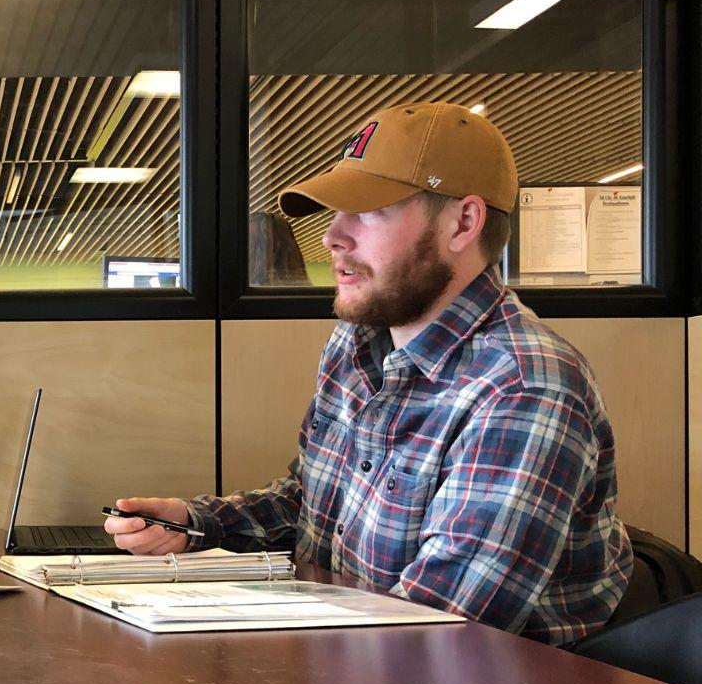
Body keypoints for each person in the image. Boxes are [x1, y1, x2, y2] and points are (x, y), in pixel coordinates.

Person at [107, 101, 631, 644]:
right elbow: (315, 506)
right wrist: (193, 524)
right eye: (336, 213)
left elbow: (433, 629)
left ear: (464, 223)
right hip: (356, 665)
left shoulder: (522, 387)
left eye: (370, 211)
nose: (333, 237)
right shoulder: (357, 344)